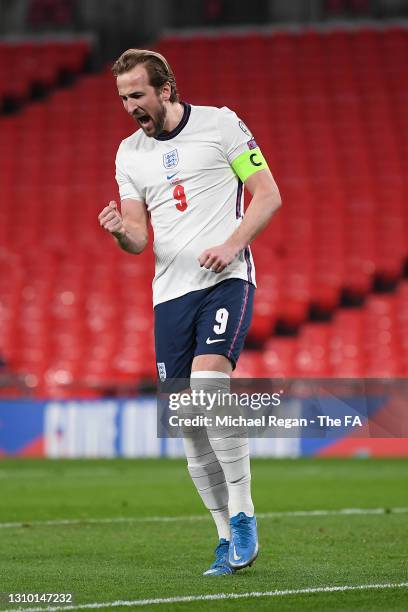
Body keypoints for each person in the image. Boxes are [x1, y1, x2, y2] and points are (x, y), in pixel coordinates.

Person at [98, 48, 281, 576]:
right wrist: (119, 233)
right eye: (123, 97)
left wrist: (231, 245)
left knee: (208, 391)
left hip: (225, 280)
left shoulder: (222, 126)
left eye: (137, 94)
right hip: (169, 294)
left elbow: (267, 195)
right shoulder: (128, 154)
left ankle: (244, 515)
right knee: (188, 427)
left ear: (165, 90)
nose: (130, 105)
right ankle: (225, 537)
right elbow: (137, 236)